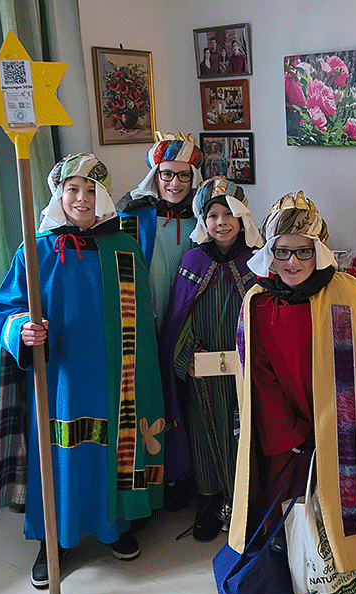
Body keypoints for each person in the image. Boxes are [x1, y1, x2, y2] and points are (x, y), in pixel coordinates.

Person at [0, 154, 164, 589]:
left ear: (102, 195)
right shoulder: (38, 247)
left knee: (113, 445)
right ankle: (54, 539)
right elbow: (5, 307)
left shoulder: (123, 246)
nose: (82, 199)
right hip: (60, 377)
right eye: (73, 190)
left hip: (113, 374)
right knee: (60, 450)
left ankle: (114, 526)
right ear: (59, 195)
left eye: (91, 190)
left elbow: (140, 314)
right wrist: (21, 331)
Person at [228, 191, 356, 594]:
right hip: (288, 426)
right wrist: (292, 432)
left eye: (303, 252)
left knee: (347, 498)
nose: (293, 263)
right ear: (269, 252)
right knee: (290, 499)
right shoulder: (259, 301)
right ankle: (296, 568)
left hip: (343, 424)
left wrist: (333, 425)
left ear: (318, 251)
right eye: (282, 252)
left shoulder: (348, 294)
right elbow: (259, 375)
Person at [163, 177, 263, 541]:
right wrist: (187, 356)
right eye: (212, 215)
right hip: (203, 372)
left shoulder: (256, 261)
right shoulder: (192, 260)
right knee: (204, 433)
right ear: (202, 221)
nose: (221, 222)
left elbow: (265, 313)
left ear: (242, 217)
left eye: (229, 214)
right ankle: (208, 502)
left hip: (244, 369)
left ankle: (243, 503)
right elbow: (178, 317)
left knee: (243, 433)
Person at [116, 133, 204, 512]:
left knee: (187, 401)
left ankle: (187, 477)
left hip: (188, 325)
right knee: (153, 401)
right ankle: (154, 481)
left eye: (183, 177)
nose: (175, 184)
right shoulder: (132, 215)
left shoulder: (205, 216)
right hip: (146, 323)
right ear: (155, 174)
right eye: (167, 175)